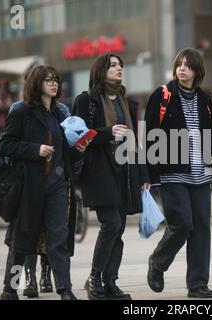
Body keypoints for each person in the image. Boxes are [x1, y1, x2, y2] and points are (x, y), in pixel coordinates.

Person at [0, 65, 88, 300]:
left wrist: (78, 150)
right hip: (30, 186)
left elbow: (65, 155)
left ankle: (65, 290)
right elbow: (5, 145)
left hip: (58, 185)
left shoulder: (60, 113)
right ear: (36, 83)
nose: (54, 84)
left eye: (56, 80)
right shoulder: (21, 112)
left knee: (58, 239)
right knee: (22, 241)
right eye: (48, 80)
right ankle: (10, 289)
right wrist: (34, 149)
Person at [144, 48, 212, 298]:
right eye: (179, 64)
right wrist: (151, 176)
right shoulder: (162, 96)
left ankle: (197, 284)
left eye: (187, 65)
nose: (182, 69)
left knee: (201, 228)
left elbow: (211, 138)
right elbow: (149, 137)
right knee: (182, 224)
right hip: (171, 174)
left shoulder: (204, 99)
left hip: (200, 175)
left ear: (197, 71)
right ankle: (158, 263)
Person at [72, 54, 150, 300]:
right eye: (113, 65)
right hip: (99, 172)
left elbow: (135, 141)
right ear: (101, 70)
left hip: (125, 171)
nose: (119, 69)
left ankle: (110, 282)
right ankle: (94, 279)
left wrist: (142, 174)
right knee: (112, 224)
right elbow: (77, 137)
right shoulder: (87, 101)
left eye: (120, 65)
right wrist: (106, 133)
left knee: (119, 229)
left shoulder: (127, 101)